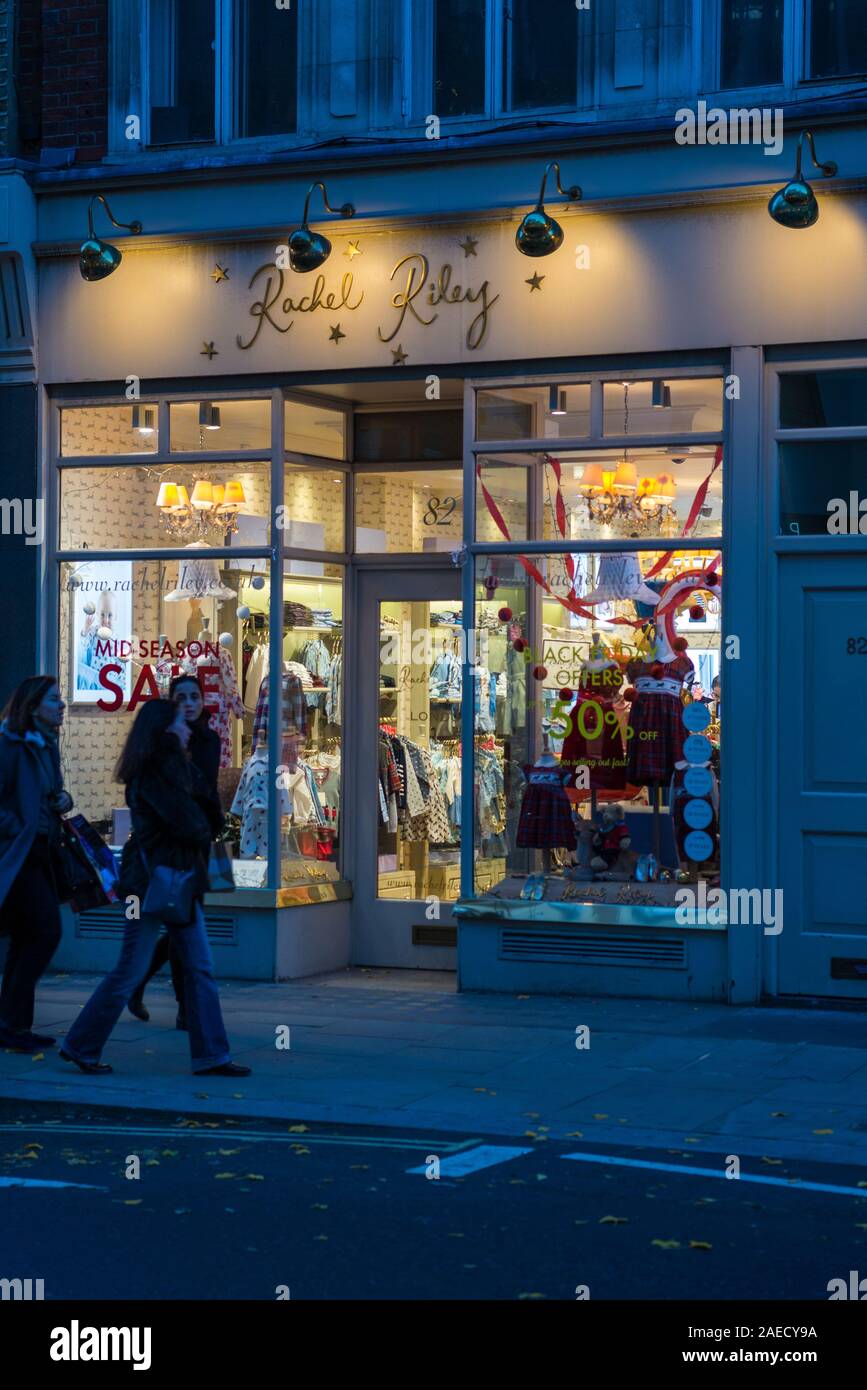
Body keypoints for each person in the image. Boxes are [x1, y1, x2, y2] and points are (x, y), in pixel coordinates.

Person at [60, 699, 250, 1077]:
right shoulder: (160, 772)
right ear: (164, 730)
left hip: (167, 882)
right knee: (139, 966)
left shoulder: (171, 767)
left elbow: (202, 818)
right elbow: (194, 826)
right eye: (180, 722)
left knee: (192, 967)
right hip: (154, 884)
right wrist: (204, 806)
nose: (186, 728)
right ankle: (82, 1044)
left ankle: (211, 1054)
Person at [127, 675, 221, 1028]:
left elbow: (207, 790)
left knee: (186, 924)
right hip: (175, 849)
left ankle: (138, 984)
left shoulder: (207, 739)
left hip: (197, 842)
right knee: (183, 924)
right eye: (181, 697)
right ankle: (185, 1007)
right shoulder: (162, 749)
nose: (189, 703)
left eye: (194, 696)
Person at [0, 676, 73, 1052]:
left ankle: (14, 1025)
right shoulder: (9, 745)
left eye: (61, 699)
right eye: (54, 699)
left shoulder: (47, 746)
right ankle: (12, 1024)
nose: (61, 705)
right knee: (44, 932)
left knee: (27, 937)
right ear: (32, 707)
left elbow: (52, 792)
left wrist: (63, 800)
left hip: (43, 851)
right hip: (18, 854)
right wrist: (17, 825)